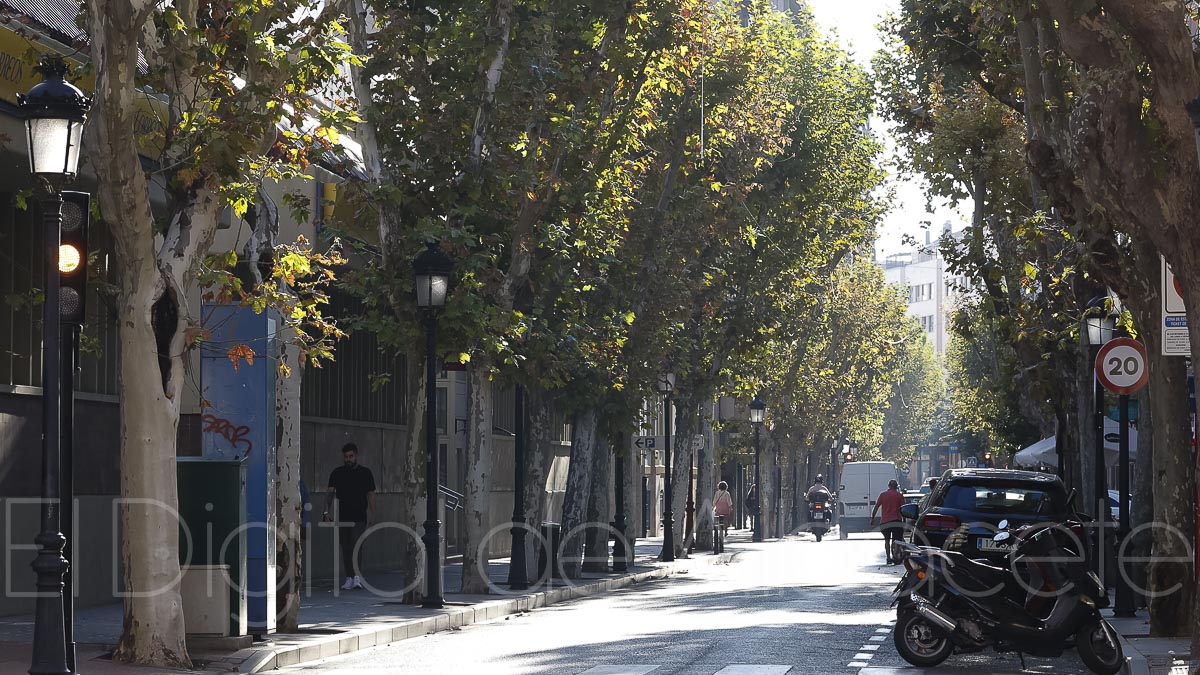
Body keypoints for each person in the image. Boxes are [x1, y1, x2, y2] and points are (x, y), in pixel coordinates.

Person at [324, 442, 376, 590]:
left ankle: (357, 577)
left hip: (359, 516)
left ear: (356, 456)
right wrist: (326, 511)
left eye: (351, 456)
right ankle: (349, 577)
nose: (348, 459)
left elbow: (371, 494)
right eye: (346, 457)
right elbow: (329, 493)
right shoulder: (337, 473)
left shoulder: (365, 473)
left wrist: (373, 513)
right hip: (342, 516)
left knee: (356, 545)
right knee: (345, 547)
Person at [871, 479, 906, 565]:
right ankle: (895, 556)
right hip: (896, 521)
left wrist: (872, 518)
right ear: (896, 486)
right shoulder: (899, 495)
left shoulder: (883, 495)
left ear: (888, 486)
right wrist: (904, 520)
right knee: (896, 541)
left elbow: (876, 507)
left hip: (885, 521)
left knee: (887, 540)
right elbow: (904, 509)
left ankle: (888, 557)